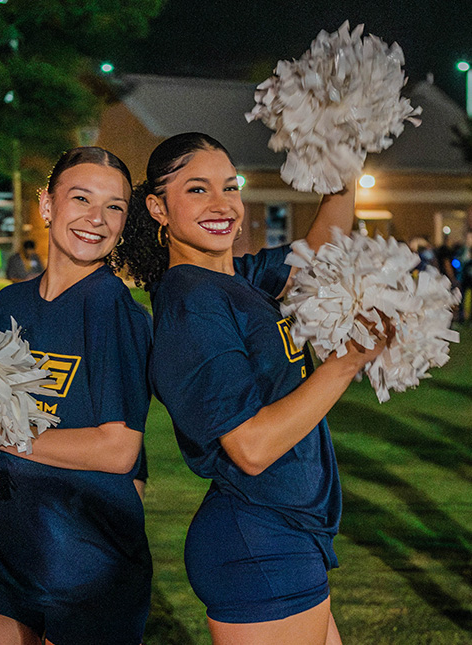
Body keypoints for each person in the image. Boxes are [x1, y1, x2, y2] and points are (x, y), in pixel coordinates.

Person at [117, 133, 391, 645]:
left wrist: (344, 155)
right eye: (197, 190)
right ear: (158, 208)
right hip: (259, 542)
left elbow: (324, 249)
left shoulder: (235, 279)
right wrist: (346, 362)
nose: (223, 205)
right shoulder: (192, 303)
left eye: (231, 186)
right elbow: (251, 446)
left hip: (282, 533)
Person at [0, 147, 153, 645]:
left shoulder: (114, 310)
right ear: (47, 205)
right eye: (80, 198)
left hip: (85, 562)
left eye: (114, 206)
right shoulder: (10, 302)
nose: (96, 219)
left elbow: (119, 450)